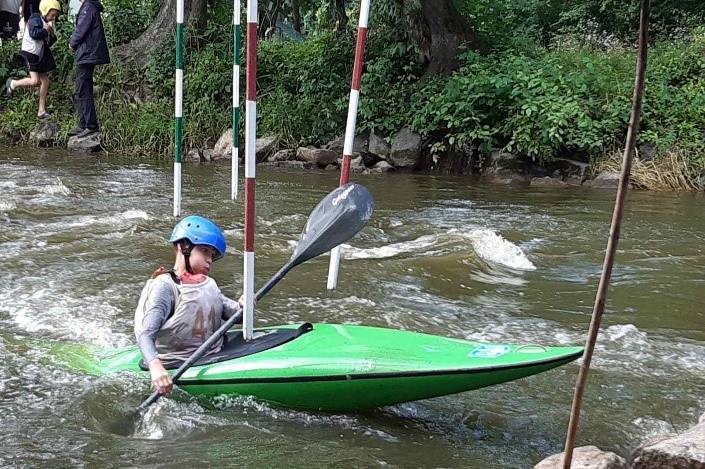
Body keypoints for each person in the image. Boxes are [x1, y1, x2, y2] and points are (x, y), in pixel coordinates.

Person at [134, 216, 244, 396]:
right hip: (176, 362)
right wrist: (156, 368)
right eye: (205, 251)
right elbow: (145, 334)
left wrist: (244, 304)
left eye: (212, 255)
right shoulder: (165, 287)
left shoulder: (208, 284)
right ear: (183, 247)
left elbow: (236, 316)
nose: (209, 259)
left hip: (211, 353)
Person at [5, 0, 60, 120]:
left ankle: (41, 110)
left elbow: (50, 41)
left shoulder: (46, 22)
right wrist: (46, 30)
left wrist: (50, 32)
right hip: (30, 53)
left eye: (56, 15)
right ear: (46, 10)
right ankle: (13, 83)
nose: (54, 17)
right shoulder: (35, 18)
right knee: (35, 81)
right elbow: (34, 33)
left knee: (45, 81)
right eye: (53, 14)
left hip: (38, 54)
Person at [67, 0, 109, 138]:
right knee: (81, 88)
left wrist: (72, 43)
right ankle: (82, 124)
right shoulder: (90, 6)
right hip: (88, 54)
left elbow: (81, 28)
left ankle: (90, 125)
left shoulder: (88, 7)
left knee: (83, 89)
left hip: (87, 54)